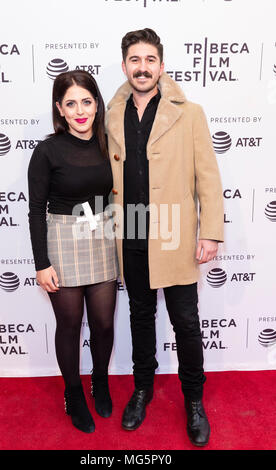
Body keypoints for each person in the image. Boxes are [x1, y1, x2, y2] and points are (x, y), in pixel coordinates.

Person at [106, 28, 224, 446]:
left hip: (173, 230)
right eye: (134, 60)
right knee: (140, 318)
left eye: (149, 59)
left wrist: (210, 232)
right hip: (132, 229)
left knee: (186, 323)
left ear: (161, 65)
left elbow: (208, 177)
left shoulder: (188, 112)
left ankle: (194, 400)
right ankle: (142, 389)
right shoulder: (110, 113)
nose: (142, 67)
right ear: (124, 66)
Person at [28, 70, 118, 433]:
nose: (80, 110)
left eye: (86, 101)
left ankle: (100, 381)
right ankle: (74, 393)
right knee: (68, 325)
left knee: (104, 323)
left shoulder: (109, 143)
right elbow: (36, 210)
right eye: (70, 104)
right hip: (62, 241)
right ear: (60, 110)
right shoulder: (47, 150)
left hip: (104, 237)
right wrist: (41, 263)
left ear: (97, 104)